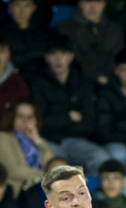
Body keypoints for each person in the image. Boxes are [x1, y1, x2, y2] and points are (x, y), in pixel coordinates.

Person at [28, 34, 111, 173]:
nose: (58, 59)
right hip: (49, 141)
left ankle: (90, 194)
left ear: (71, 57)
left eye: (64, 53)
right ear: (46, 57)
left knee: (101, 158)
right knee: (52, 166)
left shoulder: (84, 82)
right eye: (53, 54)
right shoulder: (37, 83)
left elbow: (89, 122)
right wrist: (68, 117)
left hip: (77, 140)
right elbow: (40, 123)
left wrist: (58, 120)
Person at [56, 0, 124, 86]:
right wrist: (95, 76)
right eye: (88, 1)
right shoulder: (66, 28)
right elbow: (72, 59)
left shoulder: (115, 28)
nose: (93, 7)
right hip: (78, 82)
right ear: (80, 3)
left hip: (110, 81)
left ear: (104, 4)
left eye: (98, 1)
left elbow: (118, 56)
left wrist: (108, 78)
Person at [0, 99, 52, 196]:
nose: (25, 121)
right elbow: (13, 170)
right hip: (19, 192)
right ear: (12, 117)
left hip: (42, 190)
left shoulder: (38, 140)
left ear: (35, 120)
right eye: (20, 116)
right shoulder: (1, 137)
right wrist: (47, 176)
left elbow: (52, 165)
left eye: (30, 117)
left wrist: (37, 141)